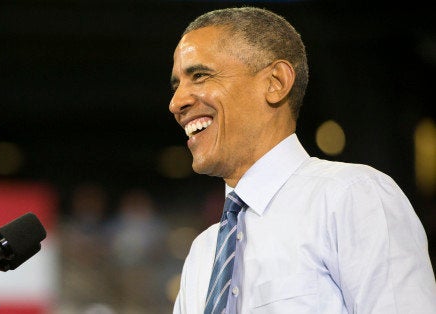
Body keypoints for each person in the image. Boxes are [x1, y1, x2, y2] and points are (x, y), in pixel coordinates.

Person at [168, 6, 436, 314]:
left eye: (200, 75)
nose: (176, 102)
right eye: (177, 85)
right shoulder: (203, 254)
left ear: (276, 82)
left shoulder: (352, 197)